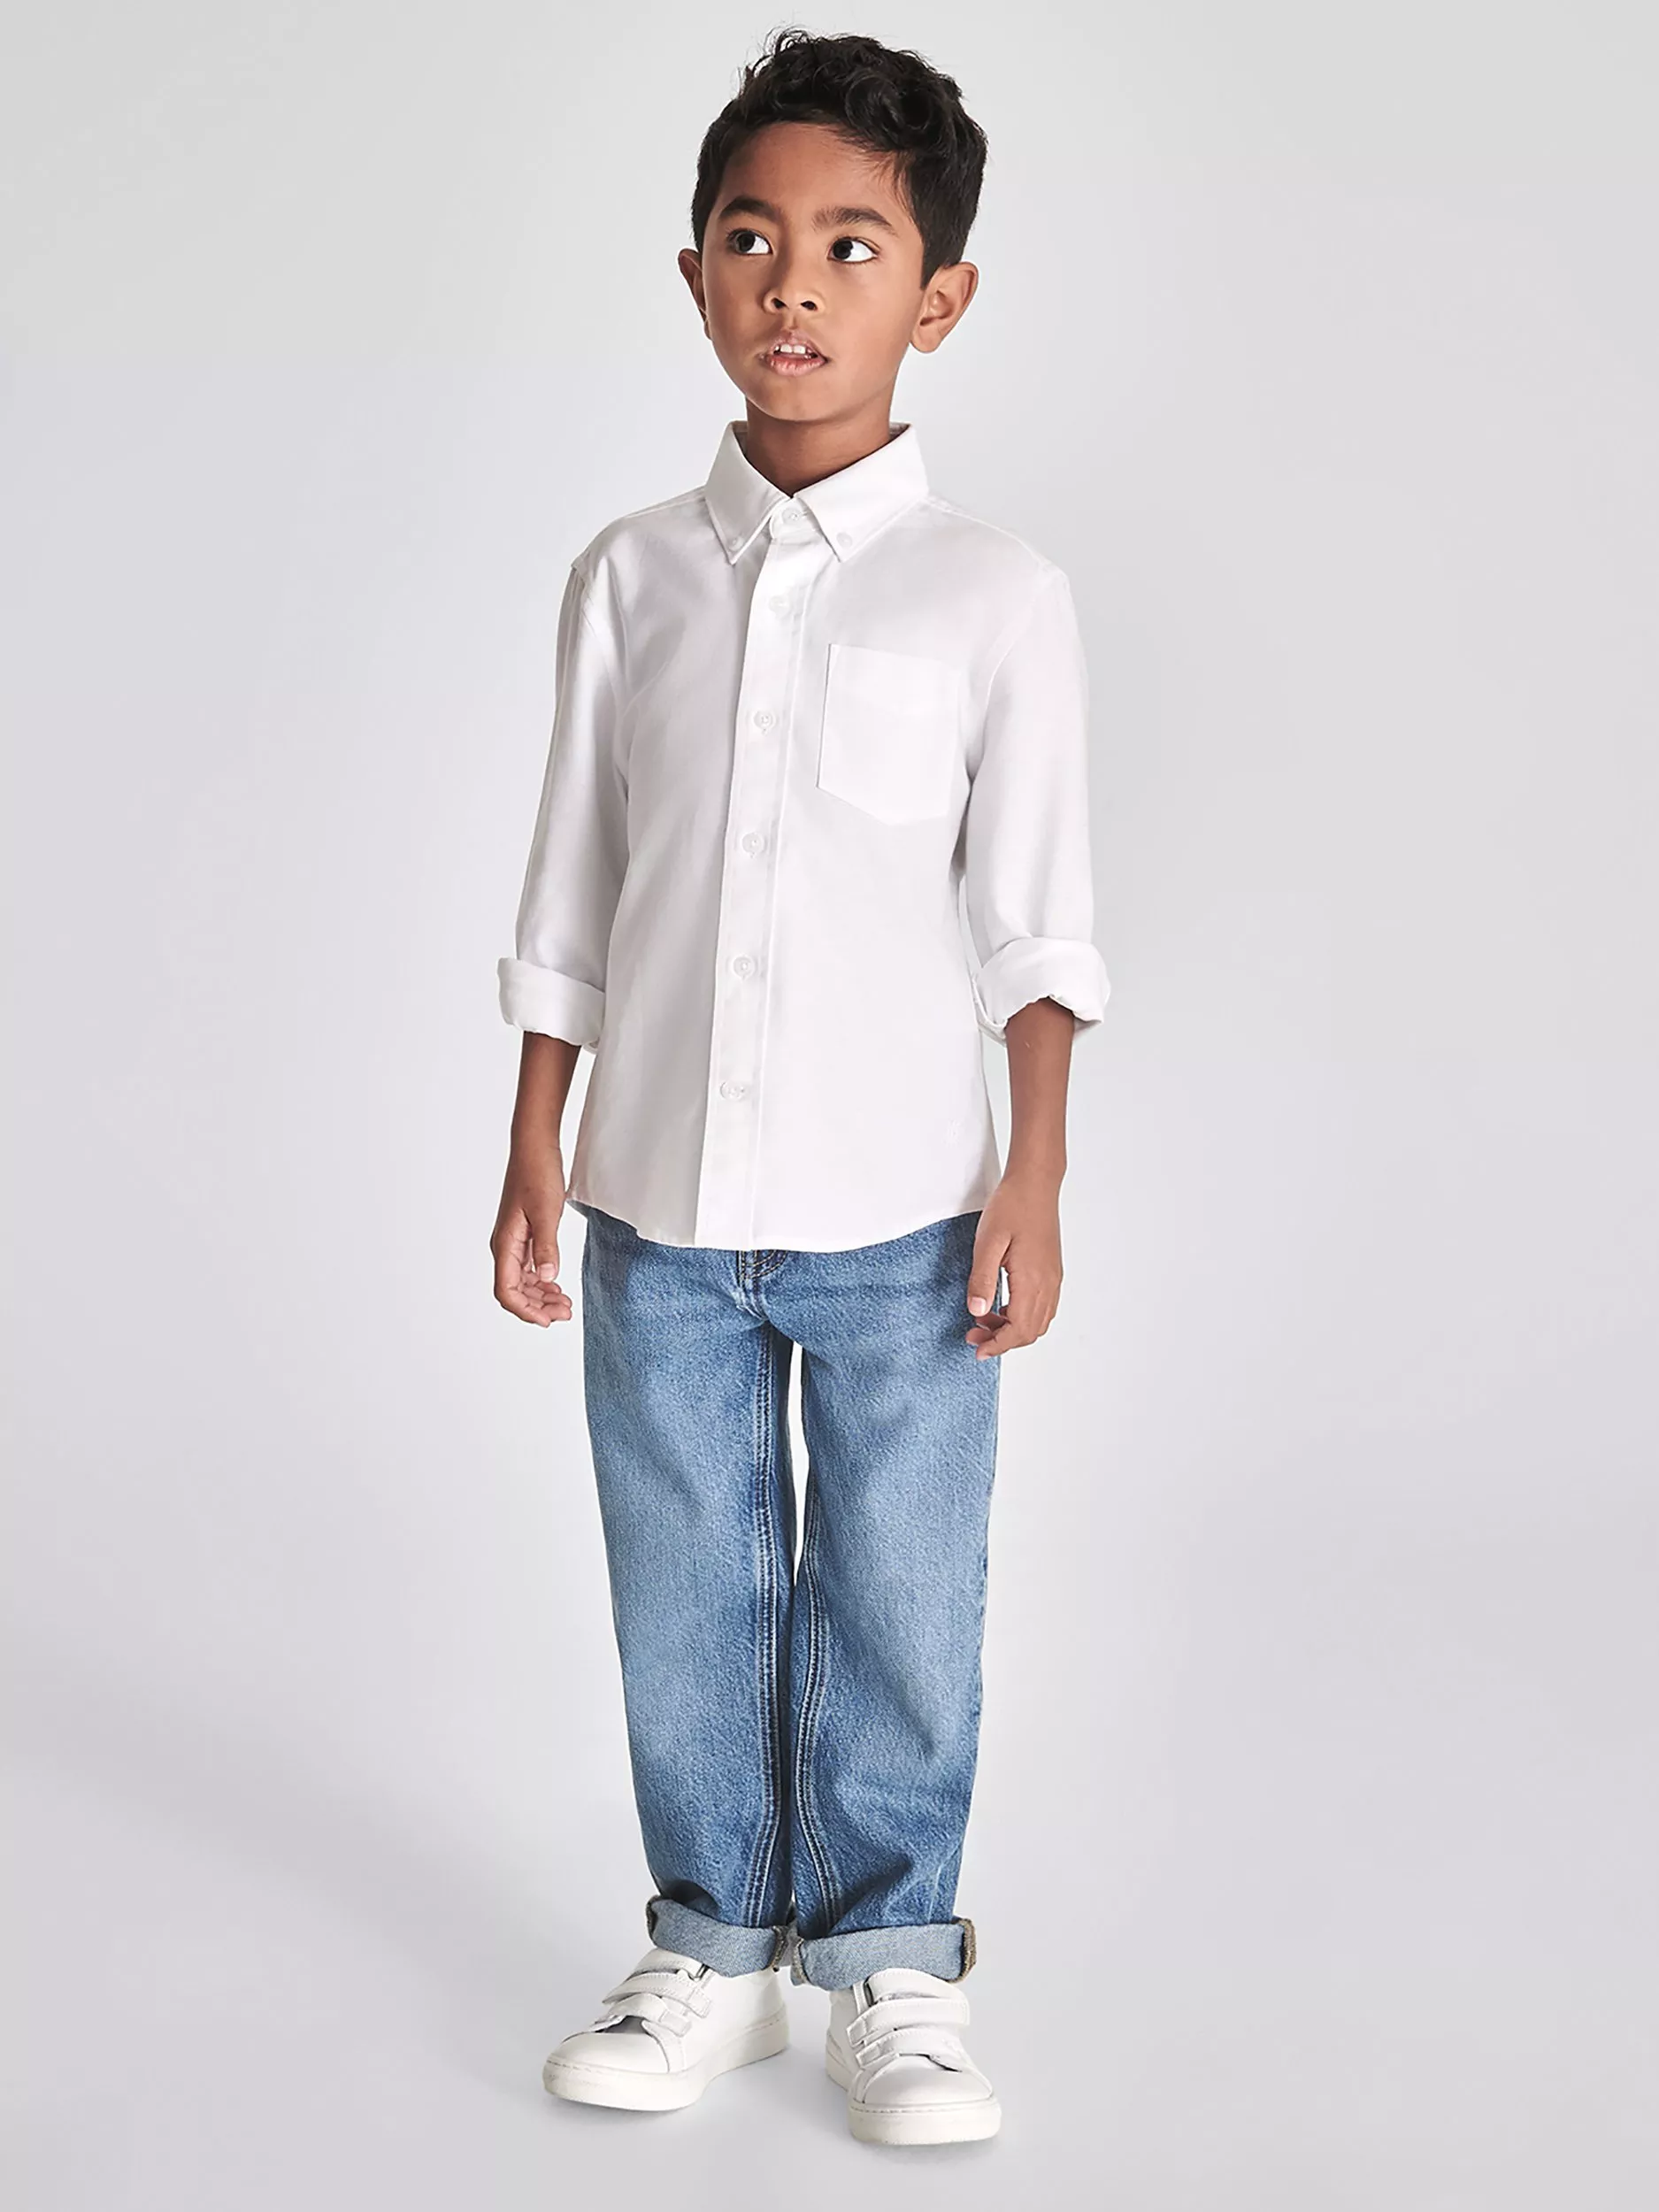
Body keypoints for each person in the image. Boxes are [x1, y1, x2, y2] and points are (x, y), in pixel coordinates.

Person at [489, 27, 1109, 2149]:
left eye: (852, 245)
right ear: (694, 274)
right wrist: (534, 1135)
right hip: (653, 1197)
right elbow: (574, 882)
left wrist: (1035, 1172)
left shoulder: (993, 595)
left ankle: (891, 1957)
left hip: (905, 1203)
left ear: (937, 295)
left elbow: (1036, 922)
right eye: (752, 239)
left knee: (900, 1591)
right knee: (685, 1576)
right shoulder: (629, 579)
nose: (793, 285)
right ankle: (716, 1941)